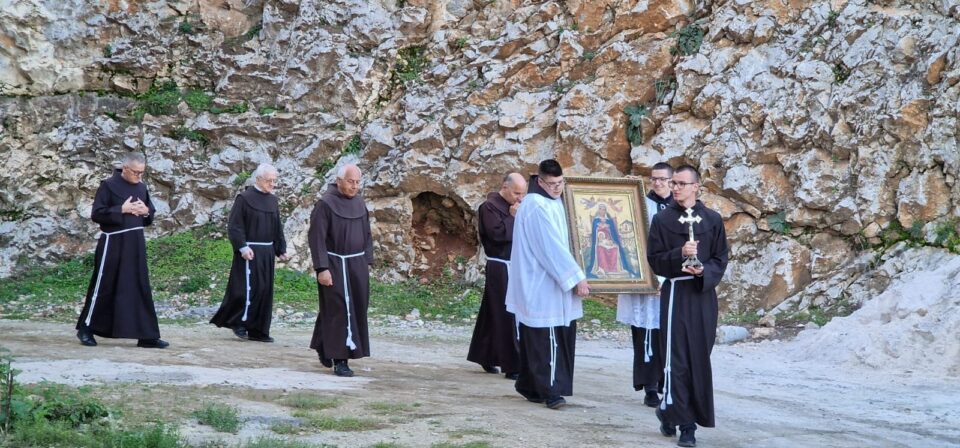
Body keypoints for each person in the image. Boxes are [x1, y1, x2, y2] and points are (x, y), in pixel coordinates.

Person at [647, 164, 729, 448]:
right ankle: (686, 426)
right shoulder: (662, 220)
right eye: (674, 184)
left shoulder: (713, 220)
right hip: (677, 294)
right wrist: (678, 253)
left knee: (699, 357)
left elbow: (721, 258)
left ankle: (669, 412)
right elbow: (655, 259)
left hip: (703, 296)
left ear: (696, 186)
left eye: (682, 183)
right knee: (677, 360)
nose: (676, 188)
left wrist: (704, 271)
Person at [505, 159, 590, 410]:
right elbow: (550, 248)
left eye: (560, 183)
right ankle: (551, 391)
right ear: (540, 182)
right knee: (547, 339)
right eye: (551, 184)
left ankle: (530, 385)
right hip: (542, 284)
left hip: (552, 283)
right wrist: (576, 277)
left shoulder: (557, 202)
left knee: (545, 338)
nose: (557, 188)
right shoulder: (535, 205)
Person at [75, 152, 168, 349]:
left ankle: (147, 335)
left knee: (138, 286)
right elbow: (97, 214)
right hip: (113, 243)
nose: (139, 176)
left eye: (142, 173)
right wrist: (121, 210)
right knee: (104, 285)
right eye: (136, 172)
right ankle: (86, 328)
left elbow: (149, 214)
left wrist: (146, 212)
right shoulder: (108, 186)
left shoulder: (142, 187)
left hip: (135, 243)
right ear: (125, 168)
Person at [210, 164, 290, 342]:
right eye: (269, 181)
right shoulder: (244, 199)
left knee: (264, 290)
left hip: (267, 252)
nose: (272, 184)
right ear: (258, 179)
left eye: (274, 181)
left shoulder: (273, 200)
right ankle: (238, 323)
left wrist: (281, 249)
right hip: (249, 252)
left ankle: (258, 330)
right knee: (244, 289)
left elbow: (277, 227)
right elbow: (235, 226)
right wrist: (243, 247)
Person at [616, 162, 674, 408]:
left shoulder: (679, 208)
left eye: (662, 179)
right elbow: (631, 240)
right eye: (654, 179)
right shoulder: (640, 204)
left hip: (669, 279)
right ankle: (649, 386)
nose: (658, 183)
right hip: (644, 277)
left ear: (672, 181)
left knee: (667, 335)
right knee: (644, 335)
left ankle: (665, 382)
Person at [308, 164, 373, 377]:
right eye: (350, 181)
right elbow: (316, 238)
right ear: (339, 181)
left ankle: (321, 344)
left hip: (356, 264)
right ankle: (341, 359)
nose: (354, 186)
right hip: (335, 264)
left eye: (357, 182)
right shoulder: (325, 204)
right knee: (338, 309)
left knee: (352, 307)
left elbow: (367, 234)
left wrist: (366, 260)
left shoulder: (360, 203)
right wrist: (322, 268)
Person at [467, 173, 527, 379]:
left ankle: (486, 355)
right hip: (500, 265)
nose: (520, 198)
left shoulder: (515, 206)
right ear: (505, 187)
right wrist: (512, 218)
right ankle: (513, 364)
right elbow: (498, 236)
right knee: (506, 313)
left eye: (522, 194)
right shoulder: (489, 207)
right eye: (516, 193)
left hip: (515, 265)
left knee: (492, 312)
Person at [585, 203, 638, 278]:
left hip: (608, 240)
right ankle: (603, 269)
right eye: (600, 209)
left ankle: (614, 269)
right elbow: (594, 232)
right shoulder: (596, 221)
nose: (602, 211)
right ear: (598, 210)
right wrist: (599, 228)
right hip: (599, 241)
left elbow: (613, 233)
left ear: (605, 211)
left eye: (603, 210)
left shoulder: (609, 221)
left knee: (615, 247)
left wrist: (608, 229)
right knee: (600, 249)